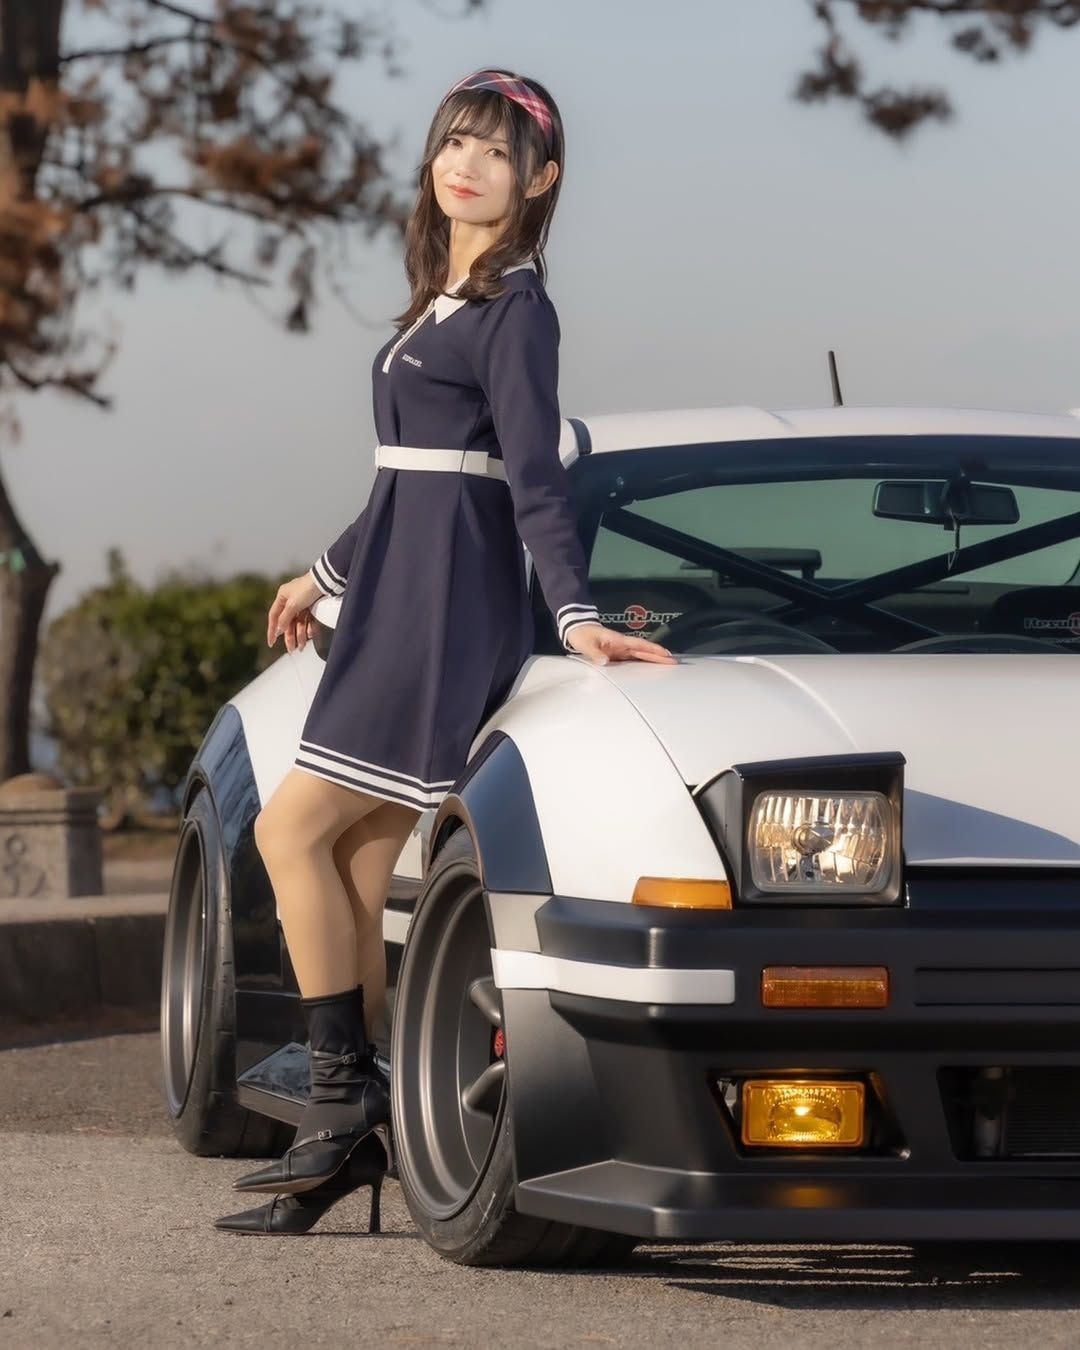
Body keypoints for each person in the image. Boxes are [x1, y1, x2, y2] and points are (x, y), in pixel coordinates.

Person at [214, 67, 676, 1237]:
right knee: (353, 869)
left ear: (542, 180)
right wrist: (321, 578)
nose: (465, 165)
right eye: (453, 142)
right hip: (394, 593)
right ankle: (343, 1138)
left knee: (288, 832)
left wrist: (574, 618)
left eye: (496, 151)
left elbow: (534, 482)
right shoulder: (442, 299)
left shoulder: (516, 309)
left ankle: (341, 1099)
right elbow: (405, 484)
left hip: (442, 610)